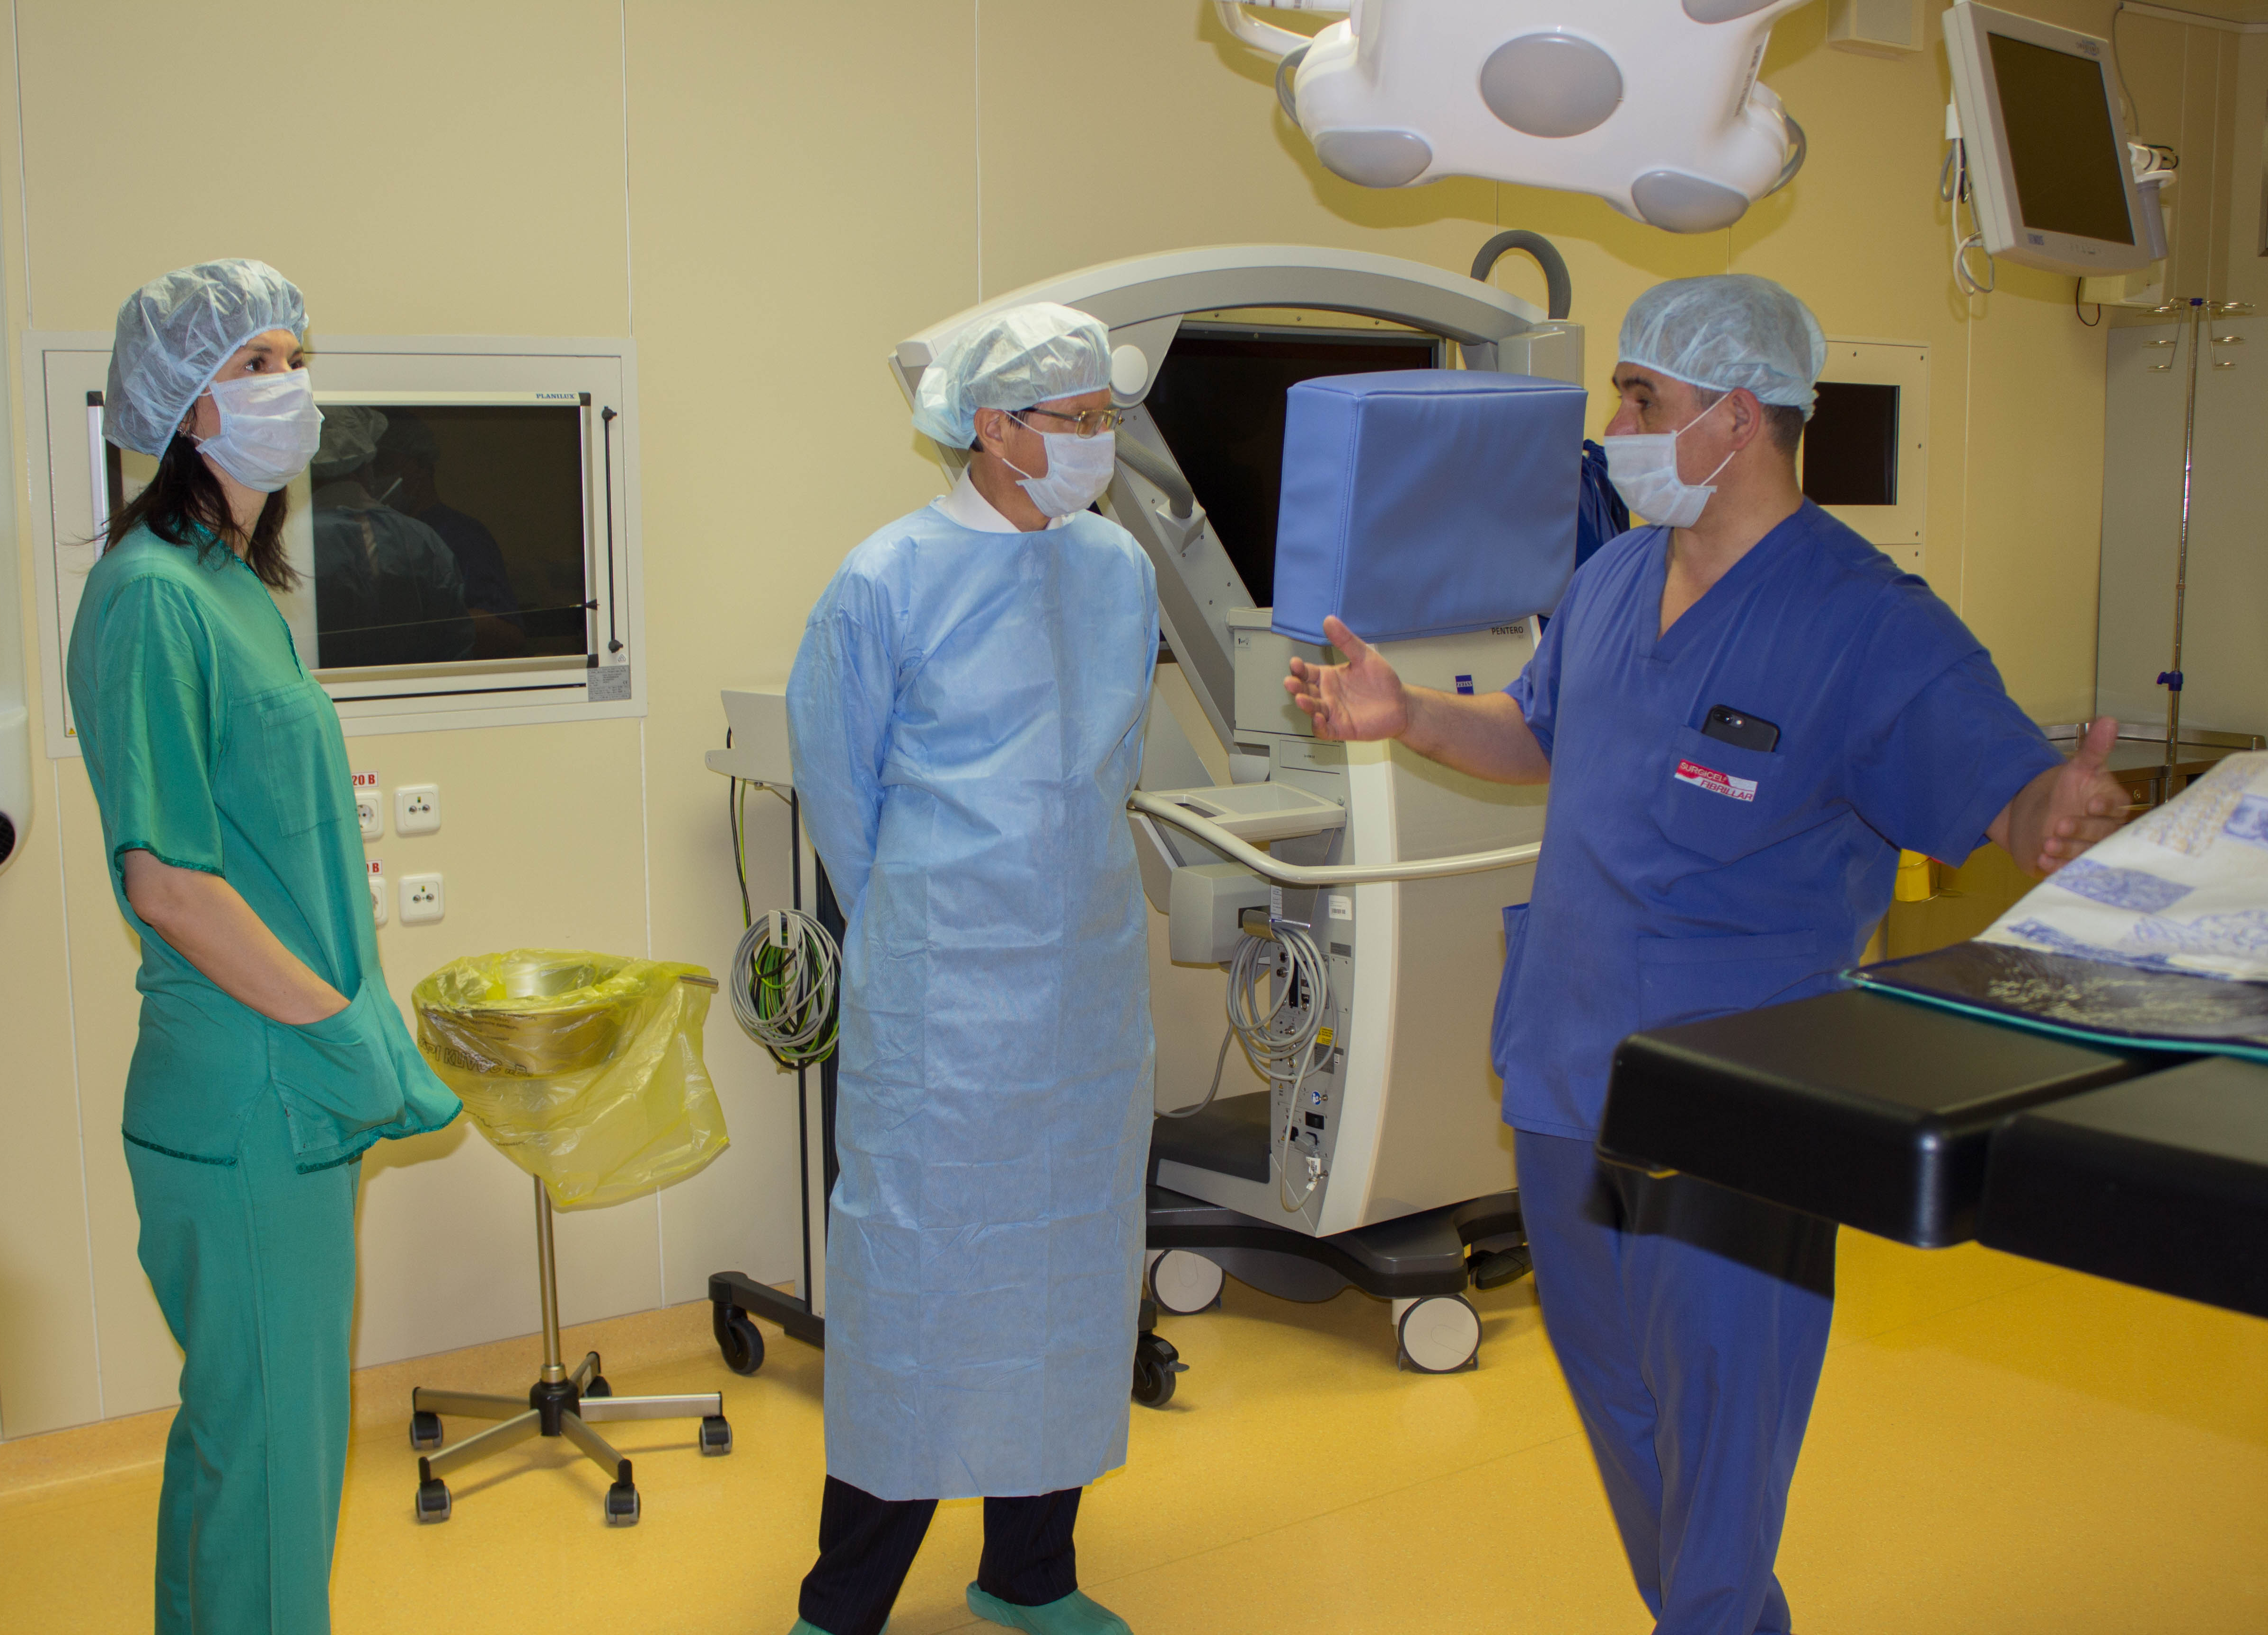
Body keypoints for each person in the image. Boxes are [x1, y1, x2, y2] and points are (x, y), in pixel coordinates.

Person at [1284, 273, 2133, 1635]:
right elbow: (1540, 731)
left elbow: (2006, 798)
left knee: (1724, 1420)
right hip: (1569, 1073)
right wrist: (1408, 715)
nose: (1616, 426)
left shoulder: (1869, 622)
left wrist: (2053, 810)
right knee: (1618, 1397)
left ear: (1736, 418)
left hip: (1744, 1105)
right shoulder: (1616, 574)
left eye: (1641, 399)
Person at [67, 259, 460, 1635]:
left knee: (250, 1445)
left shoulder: (234, 587)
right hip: (248, 1090)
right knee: (272, 1462)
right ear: (183, 406)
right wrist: (336, 1026)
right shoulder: (151, 597)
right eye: (254, 362)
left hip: (283, 1081)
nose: (289, 384)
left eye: (295, 356)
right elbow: (169, 881)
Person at [783, 303, 1158, 1635]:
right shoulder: (885, 579)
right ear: (995, 428)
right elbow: (840, 792)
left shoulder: (1117, 567)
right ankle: (844, 1600)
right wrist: (929, 926)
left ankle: (1028, 1571)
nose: (1100, 441)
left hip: (1085, 978)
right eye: (1077, 419)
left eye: (1107, 417)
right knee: (920, 1280)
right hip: (942, 989)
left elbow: (1111, 761)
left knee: (1067, 1266)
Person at [308, 405, 475, 668]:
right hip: (417, 691)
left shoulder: (291, 543)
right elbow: (454, 646)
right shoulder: (421, 540)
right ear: (367, 467)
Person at [374, 413, 527, 658]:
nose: (375, 477)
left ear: (421, 466)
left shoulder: (463, 536)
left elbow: (508, 633)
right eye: (371, 467)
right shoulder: (378, 534)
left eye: (384, 464)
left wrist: (426, 623)